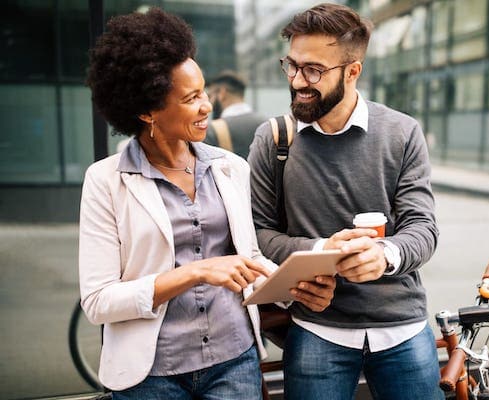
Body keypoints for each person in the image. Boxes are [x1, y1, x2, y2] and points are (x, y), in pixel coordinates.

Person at [80, 7, 335, 399]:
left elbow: (247, 261)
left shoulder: (230, 168)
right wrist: (196, 272)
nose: (207, 106)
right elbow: (98, 302)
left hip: (234, 363)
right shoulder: (105, 181)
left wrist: (294, 288)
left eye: (204, 91)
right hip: (151, 375)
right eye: (191, 98)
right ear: (147, 111)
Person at [248, 3, 443, 400]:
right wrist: (321, 251)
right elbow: (257, 232)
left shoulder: (402, 132)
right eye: (292, 65)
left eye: (314, 70)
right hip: (317, 330)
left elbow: (423, 229)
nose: (298, 80)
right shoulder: (274, 141)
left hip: (402, 328)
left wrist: (385, 255)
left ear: (353, 71)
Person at [204, 70, 265, 159]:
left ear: (222, 93)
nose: (210, 102)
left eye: (210, 96)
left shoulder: (212, 130)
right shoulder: (267, 123)